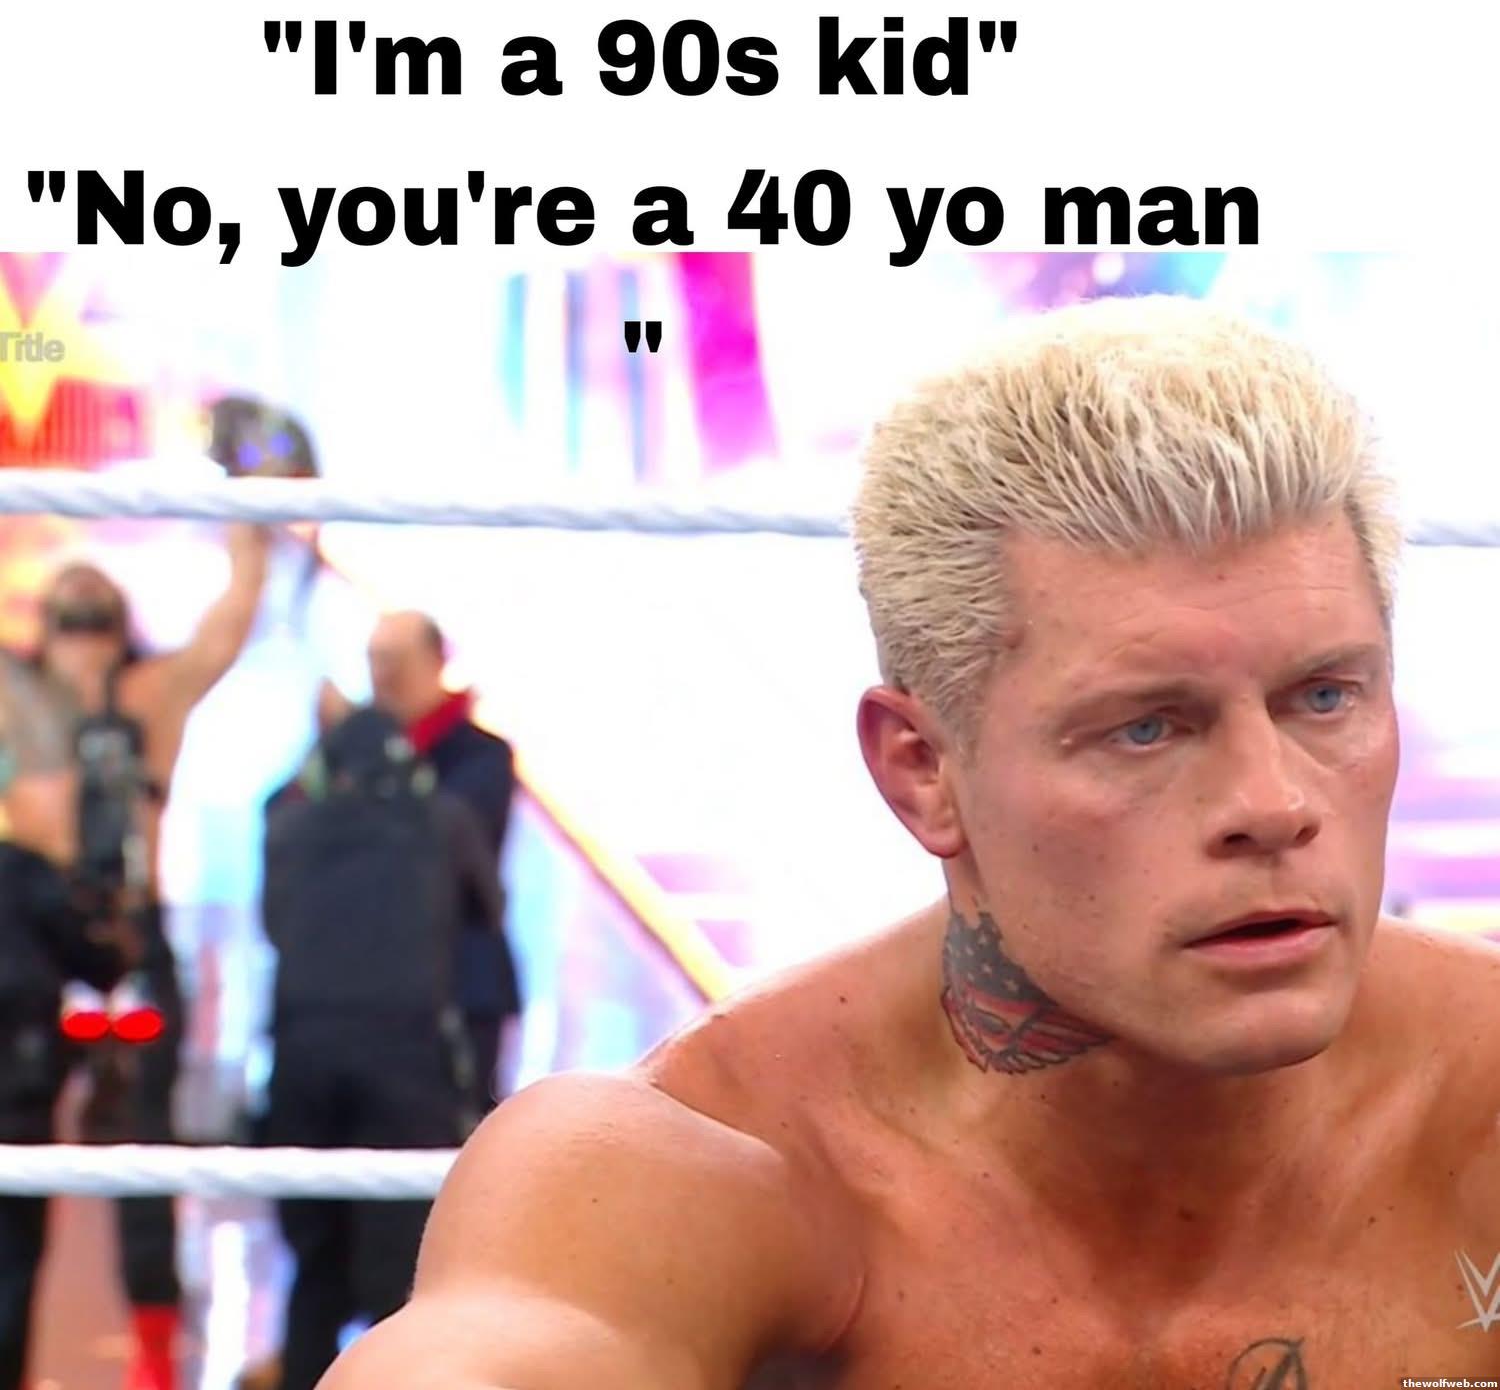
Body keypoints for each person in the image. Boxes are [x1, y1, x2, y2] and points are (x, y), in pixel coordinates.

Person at [319, 296, 1500, 1389]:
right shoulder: (703, 1168)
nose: (1273, 802)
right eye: (1146, 727)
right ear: (923, 769)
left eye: (1325, 698)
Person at [30, 523, 269, 1390]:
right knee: (18, 1150)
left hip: (129, 934)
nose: (84, 637)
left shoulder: (151, 694)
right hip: (35, 942)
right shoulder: (19, 708)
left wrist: (250, 521)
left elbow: (229, 624)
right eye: (72, 618)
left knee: (145, 1152)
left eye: (96, 617)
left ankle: (157, 1359)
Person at [262, 706, 503, 1390]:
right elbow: (489, 907)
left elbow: (275, 924)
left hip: (303, 1057)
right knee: (397, 1268)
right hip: (405, 1056)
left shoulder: (289, 826)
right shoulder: (445, 822)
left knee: (313, 1264)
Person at [0, 654, 127, 1390]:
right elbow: (101, 962)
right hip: (18, 1094)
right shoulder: (30, 872)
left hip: (23, 1086)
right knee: (13, 1259)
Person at [358, 611, 521, 1114]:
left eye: (396, 660)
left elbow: (438, 835)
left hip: (458, 988)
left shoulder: (482, 758)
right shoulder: (354, 755)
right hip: (366, 991)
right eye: (375, 660)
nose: (383, 676)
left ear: (435, 662)